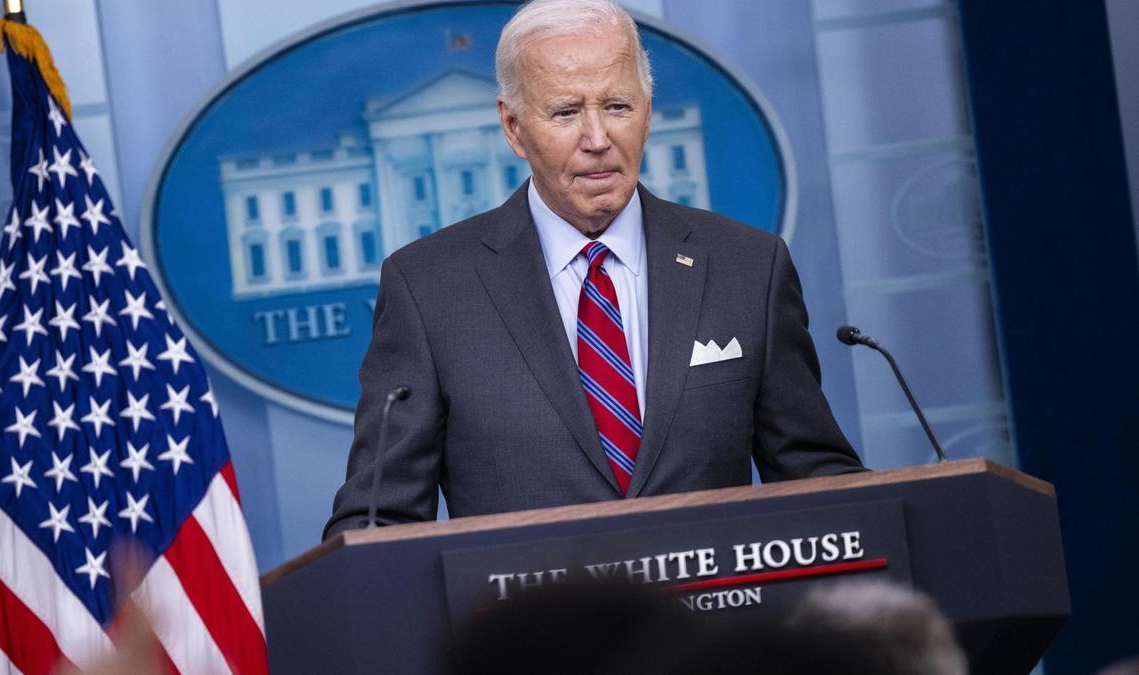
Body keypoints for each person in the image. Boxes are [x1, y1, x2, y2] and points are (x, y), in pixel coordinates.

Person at [323, 0, 863, 537]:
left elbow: (816, 478)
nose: (598, 139)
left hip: (720, 618)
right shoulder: (429, 289)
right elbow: (378, 521)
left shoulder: (747, 266)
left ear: (648, 112)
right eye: (565, 112)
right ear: (513, 128)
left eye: (618, 107)